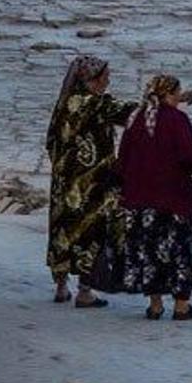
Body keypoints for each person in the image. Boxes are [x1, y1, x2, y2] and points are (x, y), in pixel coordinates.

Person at [45, 54, 135, 308]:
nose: (108, 81)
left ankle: (61, 287)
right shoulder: (95, 104)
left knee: (63, 230)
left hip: (64, 183)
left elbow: (51, 141)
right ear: (92, 80)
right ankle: (85, 291)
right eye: (105, 77)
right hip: (91, 184)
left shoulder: (64, 105)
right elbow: (130, 112)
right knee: (91, 231)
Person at [117, 74, 192, 321]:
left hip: (140, 198)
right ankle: (181, 306)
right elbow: (188, 157)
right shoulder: (177, 120)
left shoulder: (136, 119)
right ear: (170, 94)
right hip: (173, 197)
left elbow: (122, 159)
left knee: (150, 250)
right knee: (178, 249)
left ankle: (155, 305)